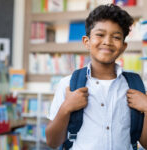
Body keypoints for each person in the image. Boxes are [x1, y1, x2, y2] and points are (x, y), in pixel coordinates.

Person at [46, 4, 147, 150]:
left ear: (123, 46)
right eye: (100, 35)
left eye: (116, 37)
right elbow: (52, 142)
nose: (107, 41)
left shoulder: (136, 85)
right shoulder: (68, 84)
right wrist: (66, 108)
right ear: (87, 41)